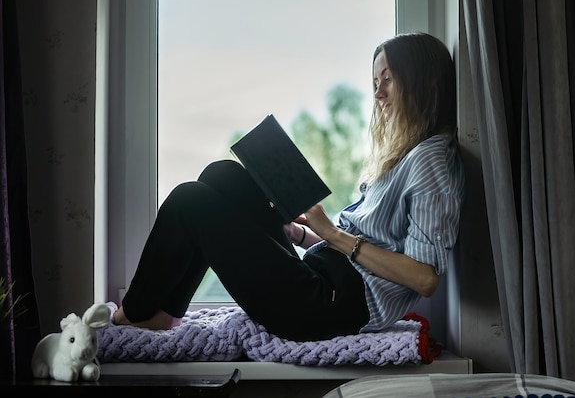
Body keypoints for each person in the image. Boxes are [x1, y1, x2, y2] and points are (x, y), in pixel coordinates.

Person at [113, 32, 465, 341]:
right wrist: (302, 235)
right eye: (376, 83)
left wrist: (332, 232)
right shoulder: (407, 155)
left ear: (424, 81)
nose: (379, 95)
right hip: (324, 279)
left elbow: (424, 278)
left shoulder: (430, 160)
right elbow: (370, 248)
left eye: (388, 80)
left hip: (330, 305)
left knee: (189, 200)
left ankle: (131, 313)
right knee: (223, 175)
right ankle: (165, 312)